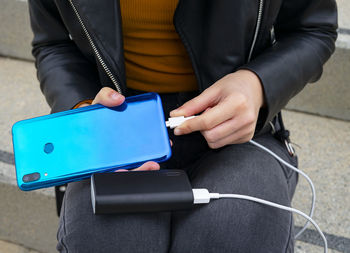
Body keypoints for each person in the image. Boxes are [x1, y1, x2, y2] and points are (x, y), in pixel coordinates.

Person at [28, 0, 337, 252]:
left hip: (237, 124)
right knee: (106, 237)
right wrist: (83, 114)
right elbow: (53, 43)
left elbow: (313, 29)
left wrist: (257, 85)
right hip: (113, 123)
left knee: (232, 229)